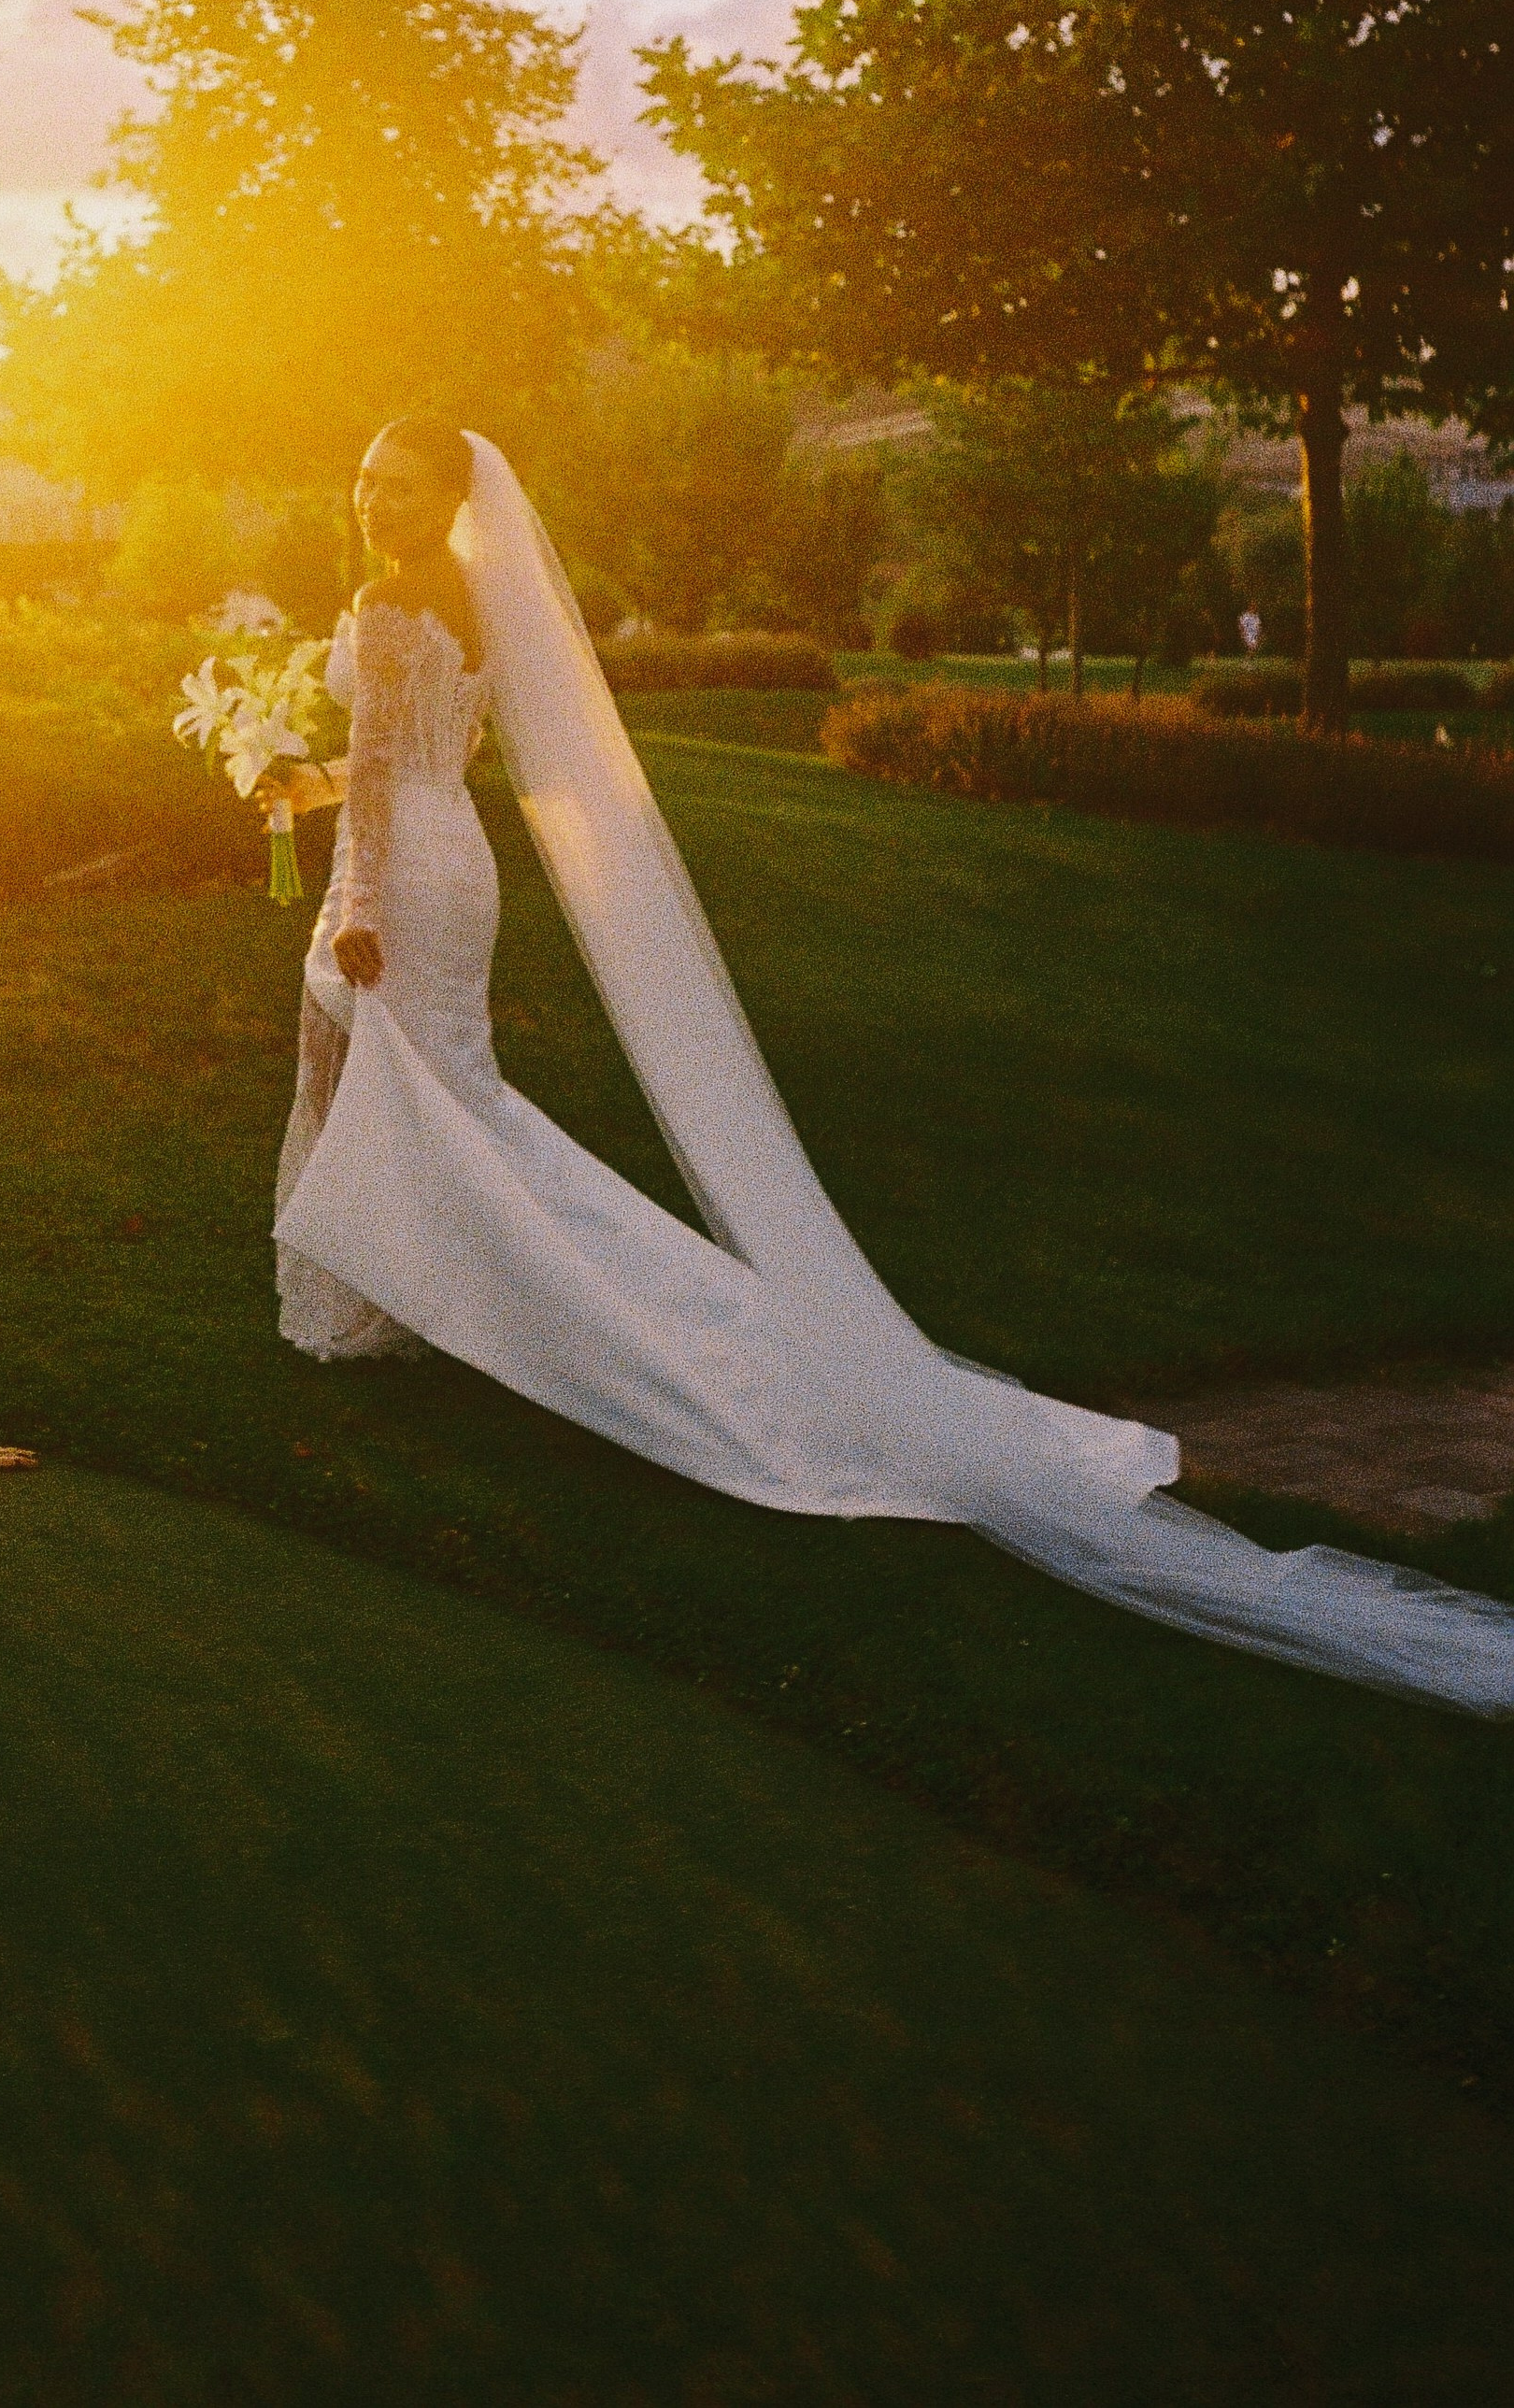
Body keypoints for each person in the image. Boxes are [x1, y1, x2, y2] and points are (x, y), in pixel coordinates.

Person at [256, 420, 1514, 1715]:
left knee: (389, 1080)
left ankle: (440, 1304)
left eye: (396, 486)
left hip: (398, 881)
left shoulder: (395, 600)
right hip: (452, 865)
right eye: (361, 480)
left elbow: (384, 793)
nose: (372, 501)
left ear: (448, 498)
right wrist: (309, 788)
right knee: (438, 1097)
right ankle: (394, 1297)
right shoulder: (460, 600)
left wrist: (348, 886)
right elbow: (426, 759)